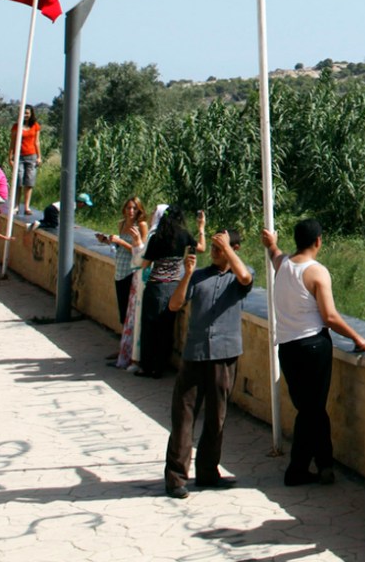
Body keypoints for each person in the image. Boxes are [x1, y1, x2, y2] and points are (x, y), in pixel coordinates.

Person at [262, 217, 365, 488]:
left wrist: (272, 245)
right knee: (311, 411)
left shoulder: (284, 265)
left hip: (288, 348)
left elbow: (276, 255)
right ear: (319, 241)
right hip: (312, 346)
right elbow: (330, 317)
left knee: (310, 409)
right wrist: (357, 337)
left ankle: (325, 465)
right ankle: (297, 469)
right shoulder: (316, 272)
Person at [162, 212, 253, 498]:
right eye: (212, 248)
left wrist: (228, 248)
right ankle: (176, 477)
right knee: (184, 415)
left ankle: (208, 472)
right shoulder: (199, 276)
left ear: (232, 250)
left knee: (217, 417)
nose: (212, 253)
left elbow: (246, 277)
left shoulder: (237, 277)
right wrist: (187, 274)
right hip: (195, 354)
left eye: (219, 248)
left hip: (224, 355)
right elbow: (175, 305)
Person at [138, 204, 192, 378]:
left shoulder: (156, 238)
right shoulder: (184, 236)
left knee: (149, 327)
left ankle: (147, 366)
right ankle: (161, 366)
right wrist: (201, 228)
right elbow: (200, 247)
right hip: (174, 288)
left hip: (155, 287)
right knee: (166, 328)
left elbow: (145, 264)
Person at [97, 198, 150, 337]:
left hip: (131, 270)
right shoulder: (122, 224)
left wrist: (121, 241)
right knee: (123, 308)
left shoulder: (141, 225)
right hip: (120, 268)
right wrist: (108, 240)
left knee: (131, 309)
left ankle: (130, 345)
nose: (131, 211)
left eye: (134, 208)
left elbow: (141, 251)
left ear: (139, 210)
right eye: (128, 208)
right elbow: (119, 246)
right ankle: (123, 343)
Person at [12, 106, 43, 217]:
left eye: (27, 113)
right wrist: (10, 156)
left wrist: (39, 157)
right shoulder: (16, 126)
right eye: (23, 113)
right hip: (19, 156)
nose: (25, 115)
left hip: (31, 156)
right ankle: (16, 206)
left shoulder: (35, 126)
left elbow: (37, 142)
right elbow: (13, 142)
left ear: (31, 114)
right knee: (19, 181)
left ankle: (26, 206)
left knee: (29, 182)